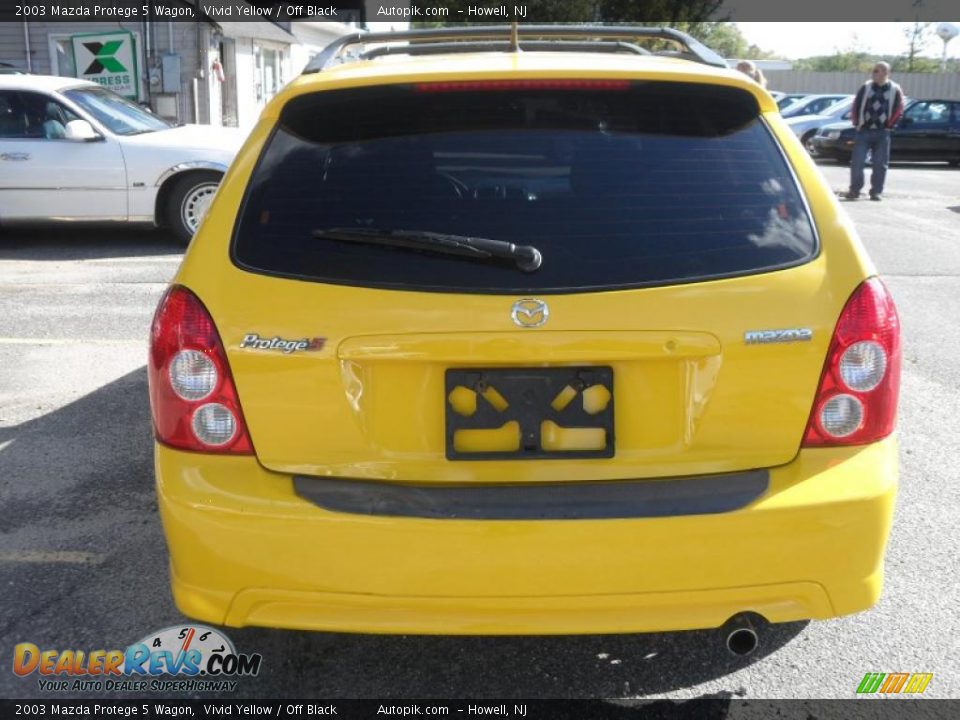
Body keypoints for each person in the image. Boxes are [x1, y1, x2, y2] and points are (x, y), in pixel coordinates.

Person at [846, 62, 905, 201]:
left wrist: (890, 125)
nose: (873, 73)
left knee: (880, 164)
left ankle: (876, 192)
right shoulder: (866, 87)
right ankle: (854, 190)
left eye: (876, 71)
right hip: (864, 131)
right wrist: (856, 123)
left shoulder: (894, 89)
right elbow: (856, 105)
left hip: (882, 132)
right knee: (857, 162)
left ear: (885, 73)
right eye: (873, 71)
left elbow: (899, 108)